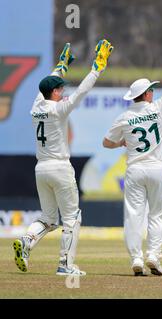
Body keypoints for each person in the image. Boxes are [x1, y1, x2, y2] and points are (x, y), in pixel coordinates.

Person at [13, 40, 114, 276]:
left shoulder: (36, 106)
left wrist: (61, 66)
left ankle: (27, 241)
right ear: (55, 92)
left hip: (41, 169)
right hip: (60, 168)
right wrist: (97, 68)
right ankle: (65, 265)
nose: (63, 91)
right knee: (72, 217)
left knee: (48, 218)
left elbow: (46, 86)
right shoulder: (58, 109)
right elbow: (82, 92)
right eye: (60, 89)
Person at [102, 49, 162, 276]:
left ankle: (136, 258)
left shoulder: (124, 117)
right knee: (157, 214)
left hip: (135, 169)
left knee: (133, 215)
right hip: (156, 168)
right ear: (146, 95)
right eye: (151, 90)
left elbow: (106, 142)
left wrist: (121, 144)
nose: (154, 93)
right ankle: (153, 255)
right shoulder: (158, 108)